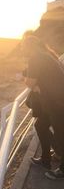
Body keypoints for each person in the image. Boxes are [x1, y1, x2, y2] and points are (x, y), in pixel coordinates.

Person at [21, 35, 64, 179]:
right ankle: (46, 159)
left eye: (23, 46)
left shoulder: (36, 57)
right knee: (40, 125)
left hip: (58, 101)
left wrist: (28, 80)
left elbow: (30, 82)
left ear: (29, 47)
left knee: (61, 133)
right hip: (53, 99)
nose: (22, 49)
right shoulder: (45, 55)